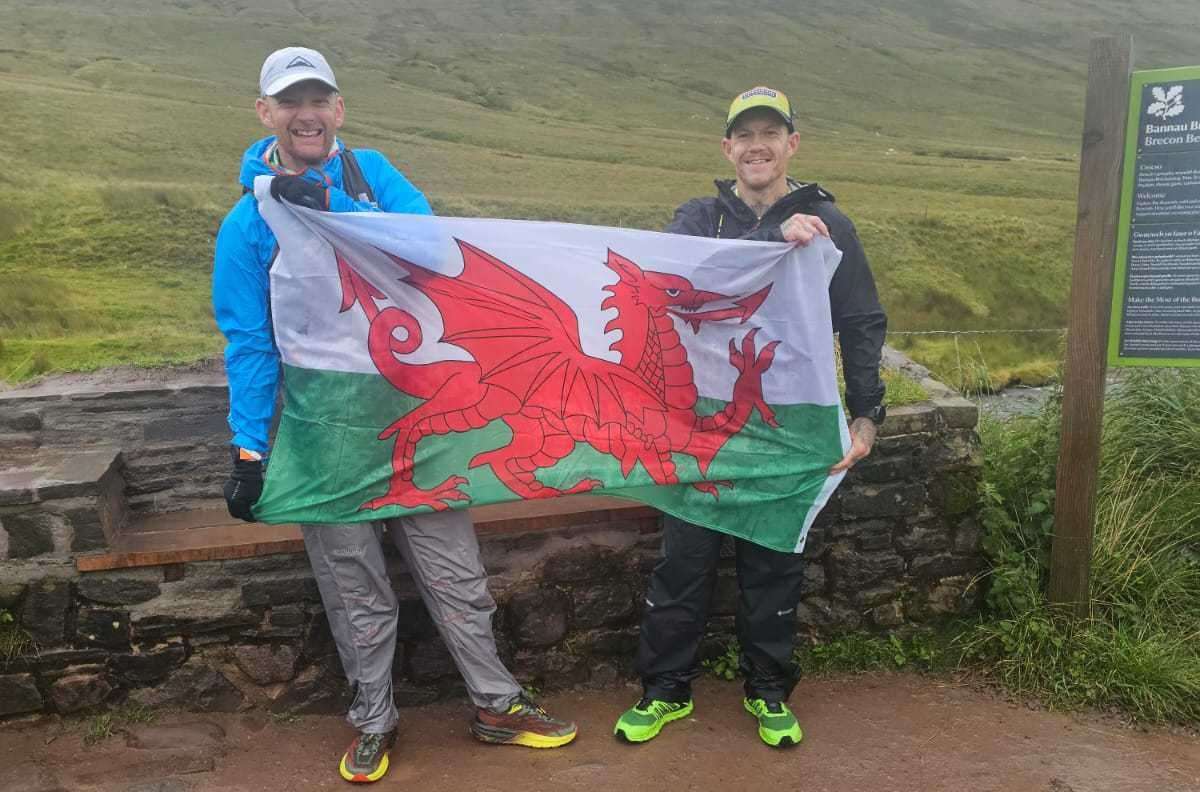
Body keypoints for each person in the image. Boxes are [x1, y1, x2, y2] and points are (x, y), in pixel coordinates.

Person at [212, 47, 577, 784]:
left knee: (455, 575)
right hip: (325, 437)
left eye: (319, 99)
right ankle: (373, 721)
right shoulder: (245, 225)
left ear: (338, 109)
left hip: (420, 421)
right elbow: (250, 344)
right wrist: (249, 451)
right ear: (266, 114)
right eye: (290, 101)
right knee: (354, 590)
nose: (306, 113)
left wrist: (332, 205)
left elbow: (433, 251)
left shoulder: (373, 176)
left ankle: (496, 704)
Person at [613, 86, 888, 749]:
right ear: (727, 147)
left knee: (773, 564)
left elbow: (861, 323)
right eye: (745, 134)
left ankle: (768, 691)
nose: (757, 145)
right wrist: (771, 239)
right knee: (684, 562)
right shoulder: (699, 218)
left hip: (785, 423)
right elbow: (676, 283)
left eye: (771, 133)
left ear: (792, 144)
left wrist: (866, 418)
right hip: (696, 423)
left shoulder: (830, 225)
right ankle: (664, 691)